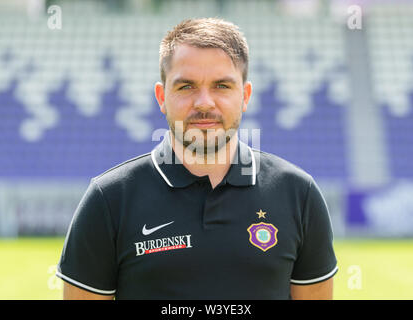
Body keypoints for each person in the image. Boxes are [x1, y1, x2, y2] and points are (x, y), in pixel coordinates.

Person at [57, 18, 338, 300]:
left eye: (222, 86)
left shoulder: (299, 194)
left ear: (245, 95)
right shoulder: (108, 199)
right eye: (186, 86)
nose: (204, 102)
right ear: (161, 97)